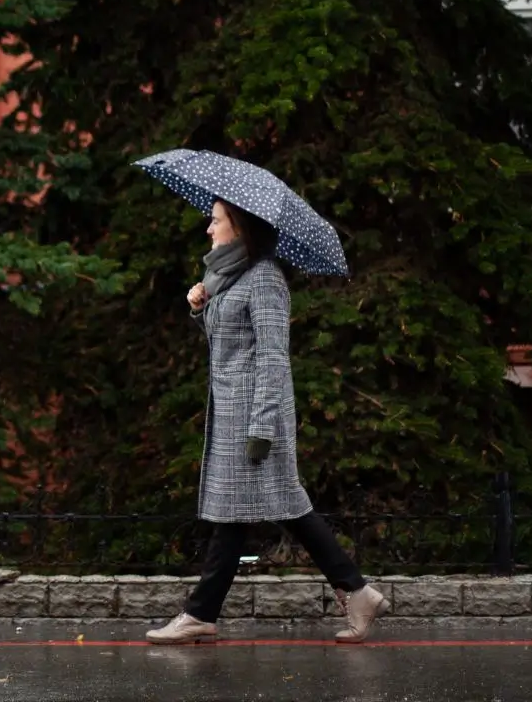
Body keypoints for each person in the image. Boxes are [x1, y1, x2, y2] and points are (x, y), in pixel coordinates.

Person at [145, 198, 388, 645]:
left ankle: (200, 614)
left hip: (254, 419)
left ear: (239, 227)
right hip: (232, 415)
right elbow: (229, 342)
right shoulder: (228, 276)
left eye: (215, 221)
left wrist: (262, 427)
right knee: (270, 511)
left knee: (248, 514)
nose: (209, 229)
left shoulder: (265, 279)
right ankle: (357, 592)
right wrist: (200, 307)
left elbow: (273, 359)